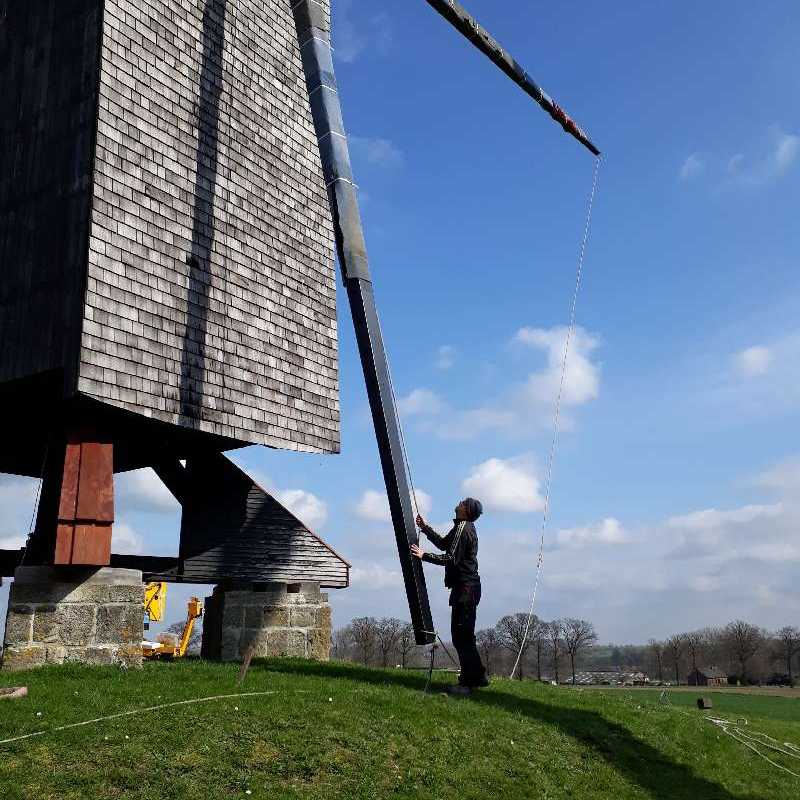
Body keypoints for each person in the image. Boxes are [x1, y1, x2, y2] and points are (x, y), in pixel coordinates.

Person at [411, 497, 488, 696]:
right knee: (464, 636)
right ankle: (478, 676)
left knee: (462, 637)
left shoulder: (463, 527)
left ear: (466, 510)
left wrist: (423, 555)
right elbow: (445, 544)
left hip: (466, 589)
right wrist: (425, 528)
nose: (460, 502)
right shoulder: (463, 527)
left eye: (464, 502)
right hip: (467, 589)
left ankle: (467, 684)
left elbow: (449, 558)